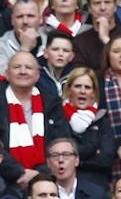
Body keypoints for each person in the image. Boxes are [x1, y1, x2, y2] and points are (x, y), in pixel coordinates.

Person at [0, 52, 70, 188]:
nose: (23, 71)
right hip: (5, 176)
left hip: (47, 176)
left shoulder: (51, 102)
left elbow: (61, 141)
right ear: (7, 74)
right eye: (17, 67)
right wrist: (19, 172)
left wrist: (39, 175)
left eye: (28, 67)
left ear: (37, 75)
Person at [61, 67, 115, 185]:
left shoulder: (102, 120)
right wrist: (93, 151)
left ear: (94, 93)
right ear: (69, 90)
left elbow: (106, 159)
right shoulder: (58, 118)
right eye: (78, 86)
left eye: (87, 87)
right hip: (64, 182)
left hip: (96, 182)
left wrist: (74, 159)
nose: (83, 91)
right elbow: (58, 155)